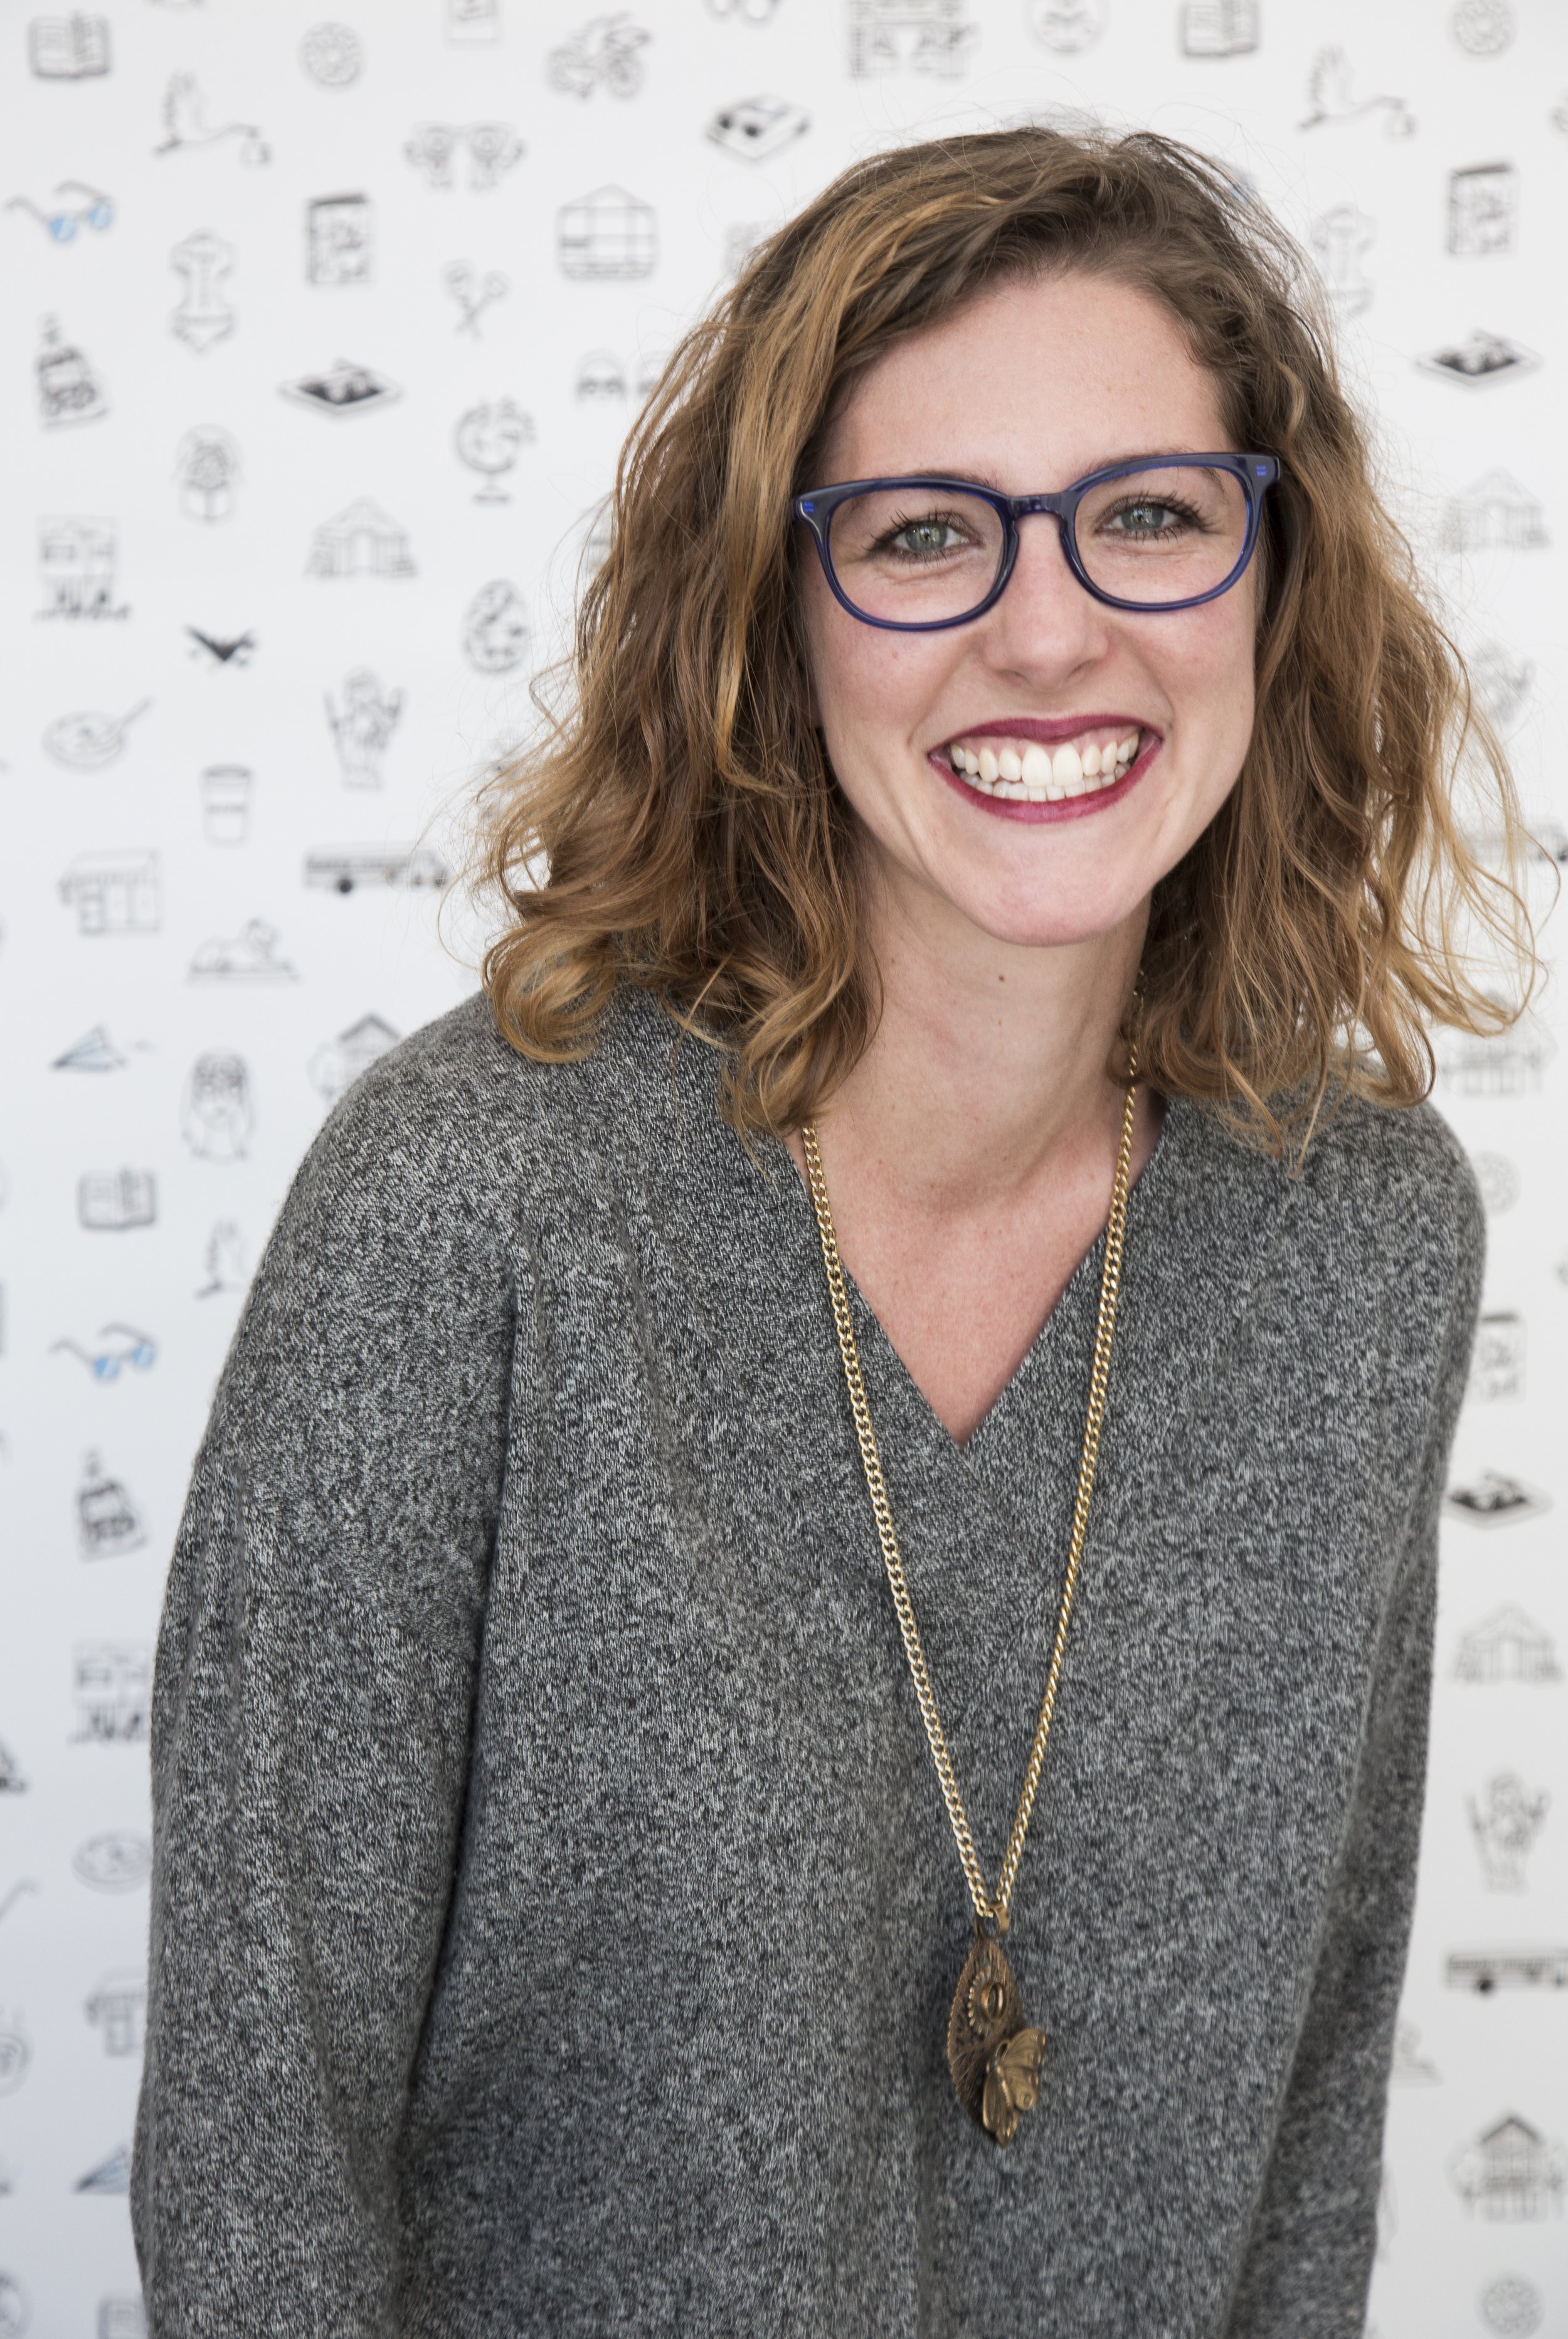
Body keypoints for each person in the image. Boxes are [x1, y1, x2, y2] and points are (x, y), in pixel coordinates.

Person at [132, 127, 1532, 2335]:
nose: (1047, 628)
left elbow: (1306, 2117)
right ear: (773, 627)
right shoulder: (470, 1203)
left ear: (1275, 581)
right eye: (922, 538)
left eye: (1149, 517)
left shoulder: (1356, 1238)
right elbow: (260, 2172)